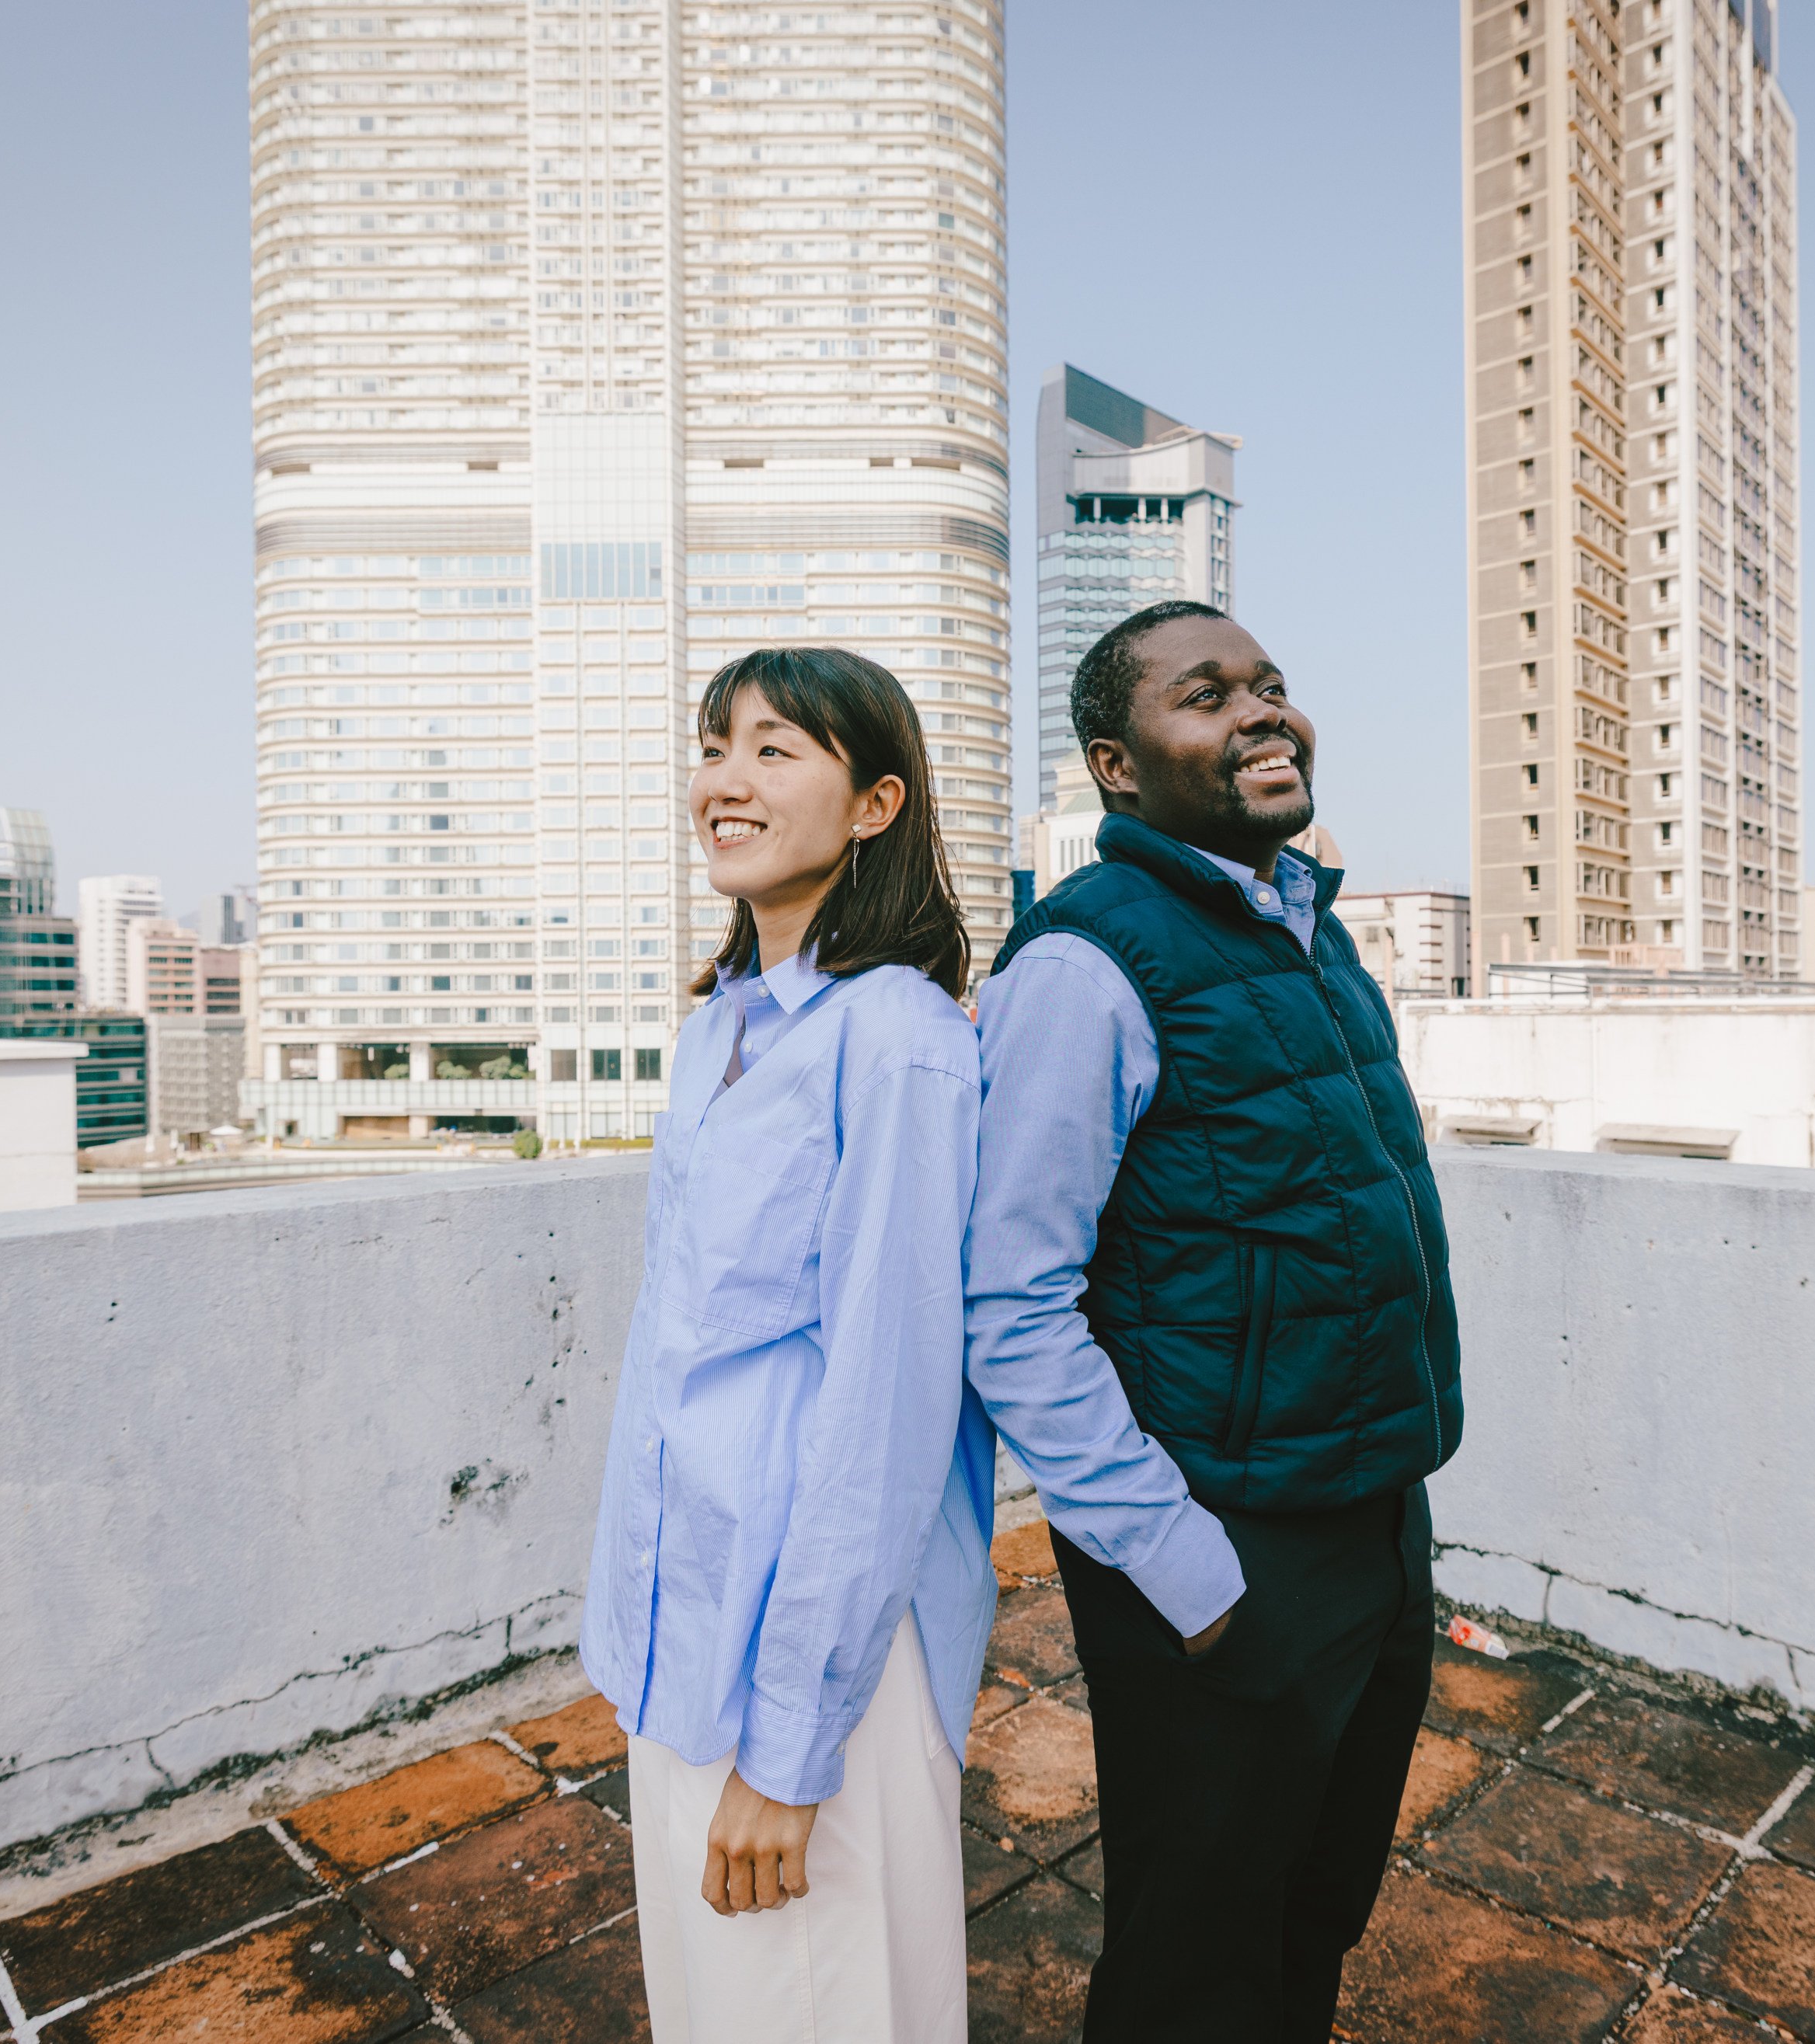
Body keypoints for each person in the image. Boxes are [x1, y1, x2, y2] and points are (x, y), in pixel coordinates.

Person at [966, 601, 1462, 2042]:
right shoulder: (1084, 964)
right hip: (1218, 1545)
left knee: (1314, 1914)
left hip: (1367, 1515)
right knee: (1196, 1963)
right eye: (1206, 696)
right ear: (1120, 768)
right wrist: (1181, 1562)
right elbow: (1010, 1303)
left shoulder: (1311, 926)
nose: (1261, 713)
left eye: (1273, 686)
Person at [580, 646, 990, 2043]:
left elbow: (889, 1408)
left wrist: (791, 1748)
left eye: (776, 749)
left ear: (873, 806)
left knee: (825, 2007)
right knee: (712, 2005)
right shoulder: (716, 1030)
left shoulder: (900, 1042)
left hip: (826, 1664)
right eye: (716, 744)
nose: (726, 780)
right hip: (684, 1623)